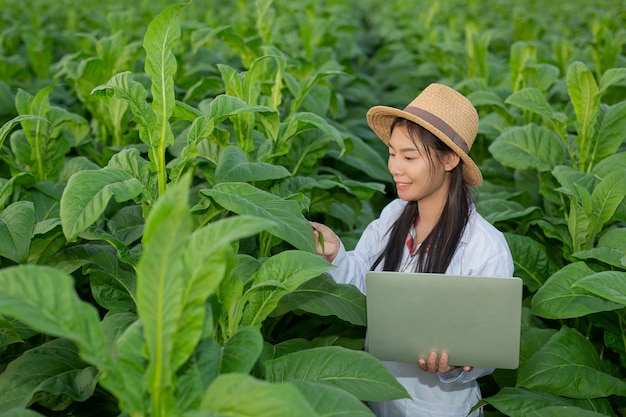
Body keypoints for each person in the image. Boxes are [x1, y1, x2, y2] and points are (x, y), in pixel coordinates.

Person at [310, 83, 514, 417]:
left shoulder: (485, 246)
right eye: (392, 153)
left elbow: (488, 350)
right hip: (377, 398)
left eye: (409, 157)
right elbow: (367, 287)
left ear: (449, 159)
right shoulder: (393, 216)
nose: (395, 167)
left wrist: (456, 364)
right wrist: (336, 255)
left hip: (439, 408)